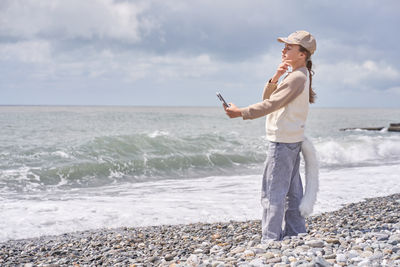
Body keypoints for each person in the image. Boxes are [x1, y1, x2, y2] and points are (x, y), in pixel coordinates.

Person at [224, 30, 317, 242]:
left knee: (272, 192)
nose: (283, 50)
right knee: (292, 193)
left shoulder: (296, 77)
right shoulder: (298, 75)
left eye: (289, 47)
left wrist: (240, 113)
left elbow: (271, 104)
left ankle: (270, 239)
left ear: (302, 54)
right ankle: (296, 233)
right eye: (284, 46)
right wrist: (276, 76)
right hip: (291, 140)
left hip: (283, 142)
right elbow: (270, 98)